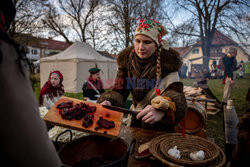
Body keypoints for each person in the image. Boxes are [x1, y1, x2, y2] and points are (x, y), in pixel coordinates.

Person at [0, 0, 61, 166]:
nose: (55, 81)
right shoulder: (6, 56)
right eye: (53, 79)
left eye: (57, 79)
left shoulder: (60, 89)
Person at [97, 19, 187, 132]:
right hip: (135, 122)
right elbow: (119, 90)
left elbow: (176, 95)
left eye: (147, 42)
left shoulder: (168, 63)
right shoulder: (126, 61)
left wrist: (163, 111)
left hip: (159, 126)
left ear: (157, 44)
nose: (140, 47)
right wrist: (109, 101)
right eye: (137, 41)